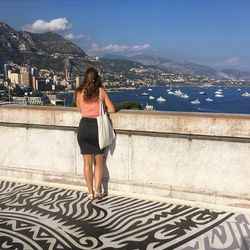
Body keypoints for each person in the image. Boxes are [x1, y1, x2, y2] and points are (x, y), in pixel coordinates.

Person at [76, 68, 115, 201]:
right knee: (99, 161)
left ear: (85, 78)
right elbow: (112, 109)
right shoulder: (101, 91)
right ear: (97, 78)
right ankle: (98, 191)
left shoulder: (79, 92)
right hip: (97, 128)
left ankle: (90, 192)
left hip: (83, 128)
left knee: (87, 163)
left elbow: (80, 110)